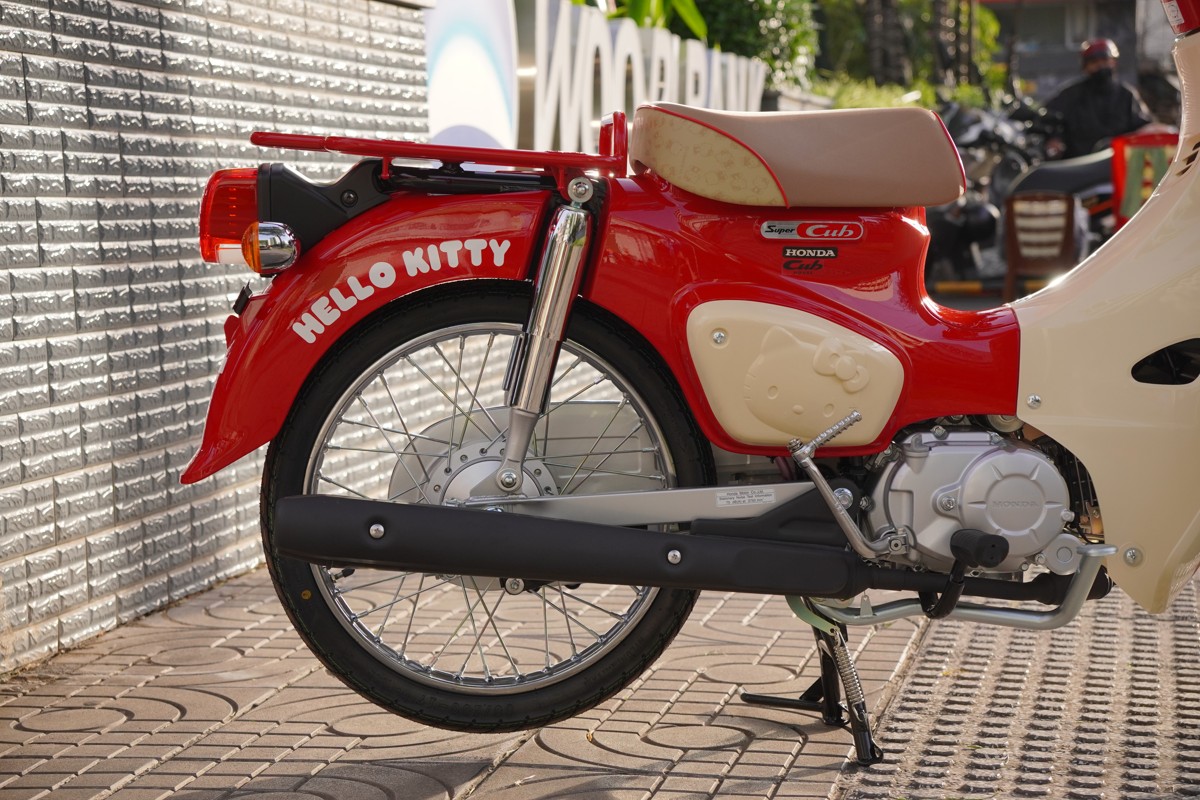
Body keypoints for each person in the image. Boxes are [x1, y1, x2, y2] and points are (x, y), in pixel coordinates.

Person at [1044, 39, 1155, 159]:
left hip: (1118, 165)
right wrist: (1054, 139)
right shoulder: (1070, 95)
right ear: (1085, 67)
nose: (1100, 65)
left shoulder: (1126, 95)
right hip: (1078, 167)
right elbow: (1049, 119)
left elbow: (1143, 126)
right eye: (1094, 62)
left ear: (1113, 62)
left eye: (1105, 60)